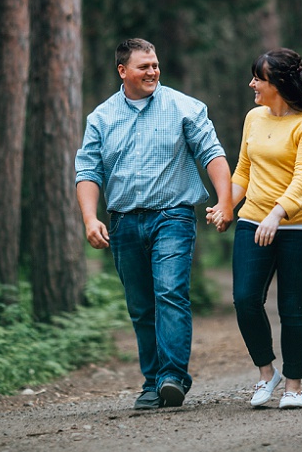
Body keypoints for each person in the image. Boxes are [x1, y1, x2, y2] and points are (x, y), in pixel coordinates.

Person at [75, 38, 233, 410]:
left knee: (170, 292)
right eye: (144, 66)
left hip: (172, 216)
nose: (152, 72)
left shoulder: (184, 107)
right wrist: (89, 218)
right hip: (124, 223)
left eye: (155, 65)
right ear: (122, 71)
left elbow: (213, 154)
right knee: (141, 306)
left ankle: (172, 377)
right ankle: (151, 382)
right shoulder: (101, 118)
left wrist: (225, 201)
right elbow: (88, 170)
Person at [208, 48, 302, 409]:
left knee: (293, 308)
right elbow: (245, 170)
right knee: (246, 300)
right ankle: (268, 374)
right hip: (254, 221)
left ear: (279, 84)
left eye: (259, 78)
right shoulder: (254, 118)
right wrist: (226, 206)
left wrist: (277, 214)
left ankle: (294, 386)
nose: (252, 83)